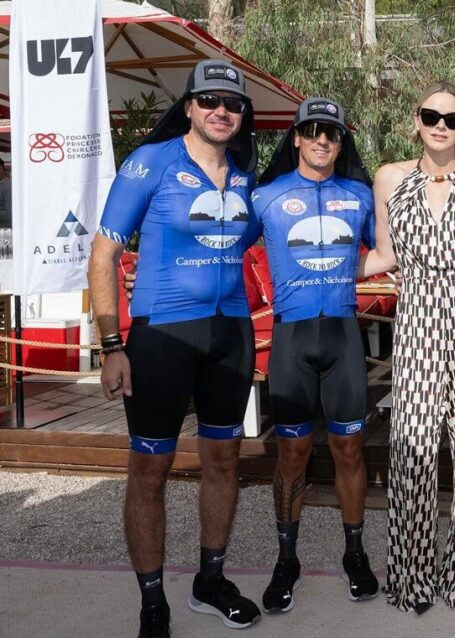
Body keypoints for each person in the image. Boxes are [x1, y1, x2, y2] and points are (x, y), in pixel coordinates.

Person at [88, 60, 263, 637]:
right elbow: (104, 255)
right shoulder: (151, 160)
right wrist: (112, 345)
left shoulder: (245, 171)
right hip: (162, 335)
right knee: (150, 469)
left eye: (232, 103)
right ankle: (151, 601)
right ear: (189, 105)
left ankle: (209, 580)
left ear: (242, 115)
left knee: (223, 460)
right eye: (209, 100)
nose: (221, 111)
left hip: (230, 333)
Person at [364, 82, 455, 614]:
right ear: (416, 121)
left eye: (452, 118)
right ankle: (413, 571)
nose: (441, 125)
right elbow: (383, 253)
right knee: (414, 441)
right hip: (418, 311)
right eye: (431, 115)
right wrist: (320, 269)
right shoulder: (389, 177)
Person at [250, 98, 379, 613]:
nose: (322, 139)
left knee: (349, 450)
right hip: (292, 339)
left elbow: (390, 251)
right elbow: (219, 248)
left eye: (332, 132)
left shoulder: (362, 195)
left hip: (344, 337)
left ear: (341, 141)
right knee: (292, 454)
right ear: (297, 138)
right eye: (312, 130)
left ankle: (354, 552)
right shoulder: (266, 196)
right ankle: (287, 558)